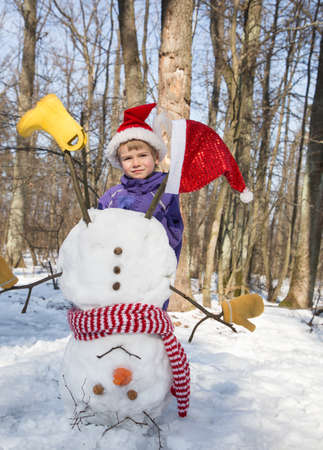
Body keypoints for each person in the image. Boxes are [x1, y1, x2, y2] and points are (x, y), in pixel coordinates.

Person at [98, 104, 184, 309]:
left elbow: (175, 232)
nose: (136, 162)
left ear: (155, 157)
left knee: (144, 326)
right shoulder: (112, 196)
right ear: (119, 162)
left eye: (142, 155)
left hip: (149, 274)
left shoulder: (167, 192)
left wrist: (154, 236)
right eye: (128, 158)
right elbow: (96, 232)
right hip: (115, 274)